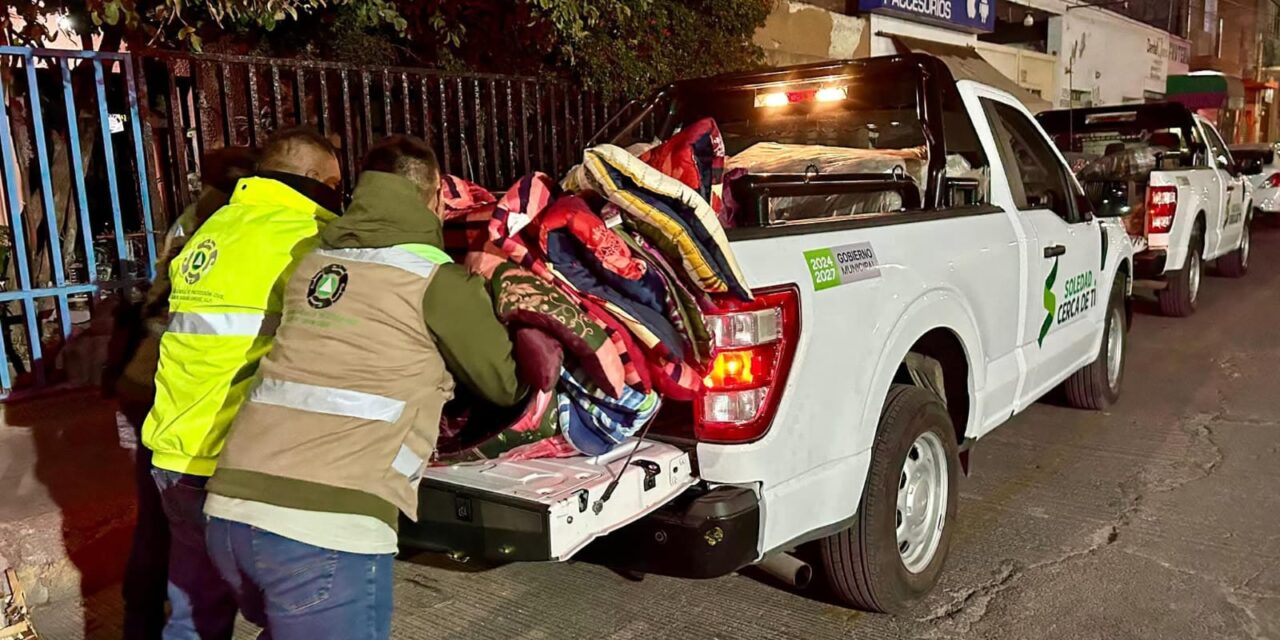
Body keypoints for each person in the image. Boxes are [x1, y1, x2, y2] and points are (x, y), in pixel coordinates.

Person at [202, 135, 524, 639]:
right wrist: (496, 291)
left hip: (228, 514)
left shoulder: (311, 264)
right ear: (436, 196)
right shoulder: (435, 279)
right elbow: (504, 384)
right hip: (324, 530)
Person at [142, 126, 343, 640]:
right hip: (242, 471)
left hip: (173, 458)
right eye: (336, 184)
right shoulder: (308, 242)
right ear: (315, 180)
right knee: (305, 615)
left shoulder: (211, 229)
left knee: (193, 614)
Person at [103, 146, 258, 640]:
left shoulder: (191, 221)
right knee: (182, 539)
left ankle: (143, 626)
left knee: (159, 528)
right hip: (177, 394)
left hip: (152, 390)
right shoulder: (226, 223)